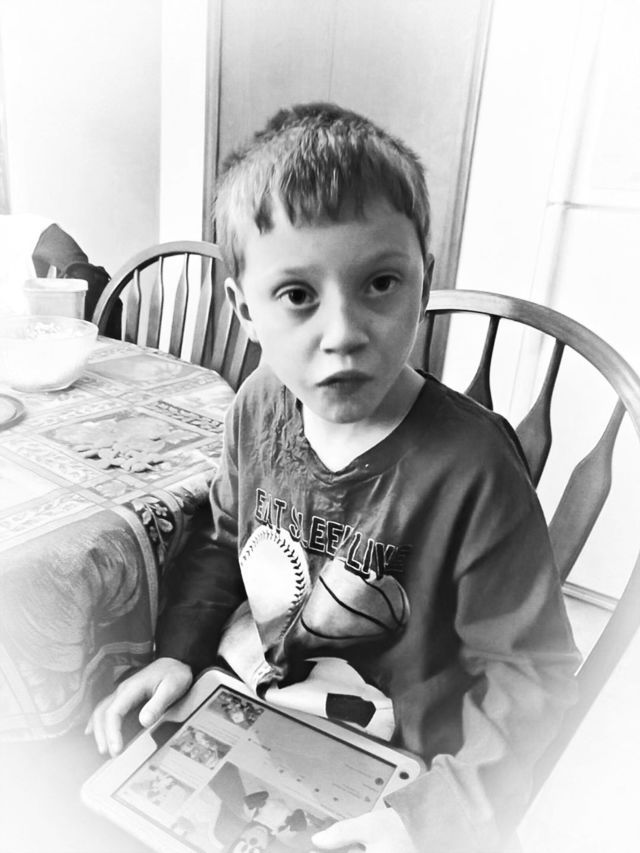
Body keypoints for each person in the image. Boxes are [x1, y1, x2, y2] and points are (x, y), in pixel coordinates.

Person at [88, 103, 579, 852]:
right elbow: (222, 545)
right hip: (253, 710)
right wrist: (175, 653)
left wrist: (434, 818)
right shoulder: (256, 405)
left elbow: (532, 673)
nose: (344, 333)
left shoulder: (476, 466)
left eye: (380, 282)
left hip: (400, 776)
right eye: (297, 295)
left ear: (423, 283)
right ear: (243, 309)